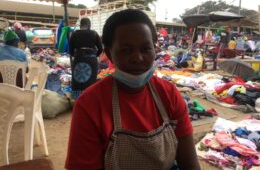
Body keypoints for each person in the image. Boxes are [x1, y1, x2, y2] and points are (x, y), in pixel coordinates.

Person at [65, 9, 200, 170]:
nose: (138, 58)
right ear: (109, 53)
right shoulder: (89, 105)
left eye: (145, 48)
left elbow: (190, 164)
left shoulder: (169, 94)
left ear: (154, 49)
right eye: (126, 50)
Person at [69, 18, 103, 99]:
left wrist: (78, 56)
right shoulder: (94, 34)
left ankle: (77, 102)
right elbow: (100, 49)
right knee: (91, 81)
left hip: (78, 59)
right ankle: (89, 100)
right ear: (89, 25)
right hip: (91, 60)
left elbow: (70, 51)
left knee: (78, 81)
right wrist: (94, 56)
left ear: (80, 25)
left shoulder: (75, 34)